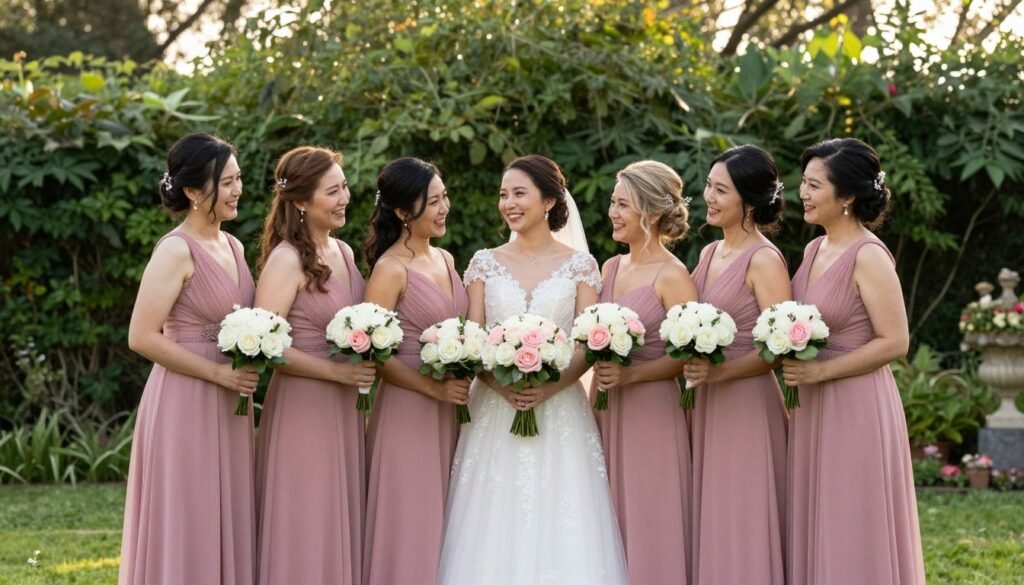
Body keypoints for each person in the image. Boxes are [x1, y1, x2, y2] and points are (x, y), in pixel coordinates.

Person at [438, 155, 627, 585]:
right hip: (494, 410)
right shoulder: (484, 262)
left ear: (548, 201)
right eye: (504, 195)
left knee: (562, 514)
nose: (509, 203)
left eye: (519, 193)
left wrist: (550, 387)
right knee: (491, 519)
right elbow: (475, 337)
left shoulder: (581, 265)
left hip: (560, 408)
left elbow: (586, 340)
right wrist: (499, 384)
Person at [784, 137, 925, 585]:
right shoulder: (812, 251)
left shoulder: (869, 255)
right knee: (819, 516)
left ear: (846, 196)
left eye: (813, 184)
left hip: (856, 405)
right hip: (812, 403)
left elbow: (895, 341)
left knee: (852, 519)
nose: (802, 193)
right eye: (803, 182)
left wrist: (822, 370)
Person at [120, 133, 256, 585]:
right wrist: (217, 373)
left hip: (230, 404)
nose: (238, 189)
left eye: (239, 179)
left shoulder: (235, 248)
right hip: (184, 400)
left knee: (226, 513)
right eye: (228, 181)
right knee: (188, 515)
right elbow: (141, 336)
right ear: (196, 191)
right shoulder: (175, 249)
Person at [253, 146, 375, 585]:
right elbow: (264, 346)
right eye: (332, 191)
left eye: (344, 187)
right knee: (306, 519)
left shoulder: (341, 251)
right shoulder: (287, 259)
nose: (344, 197)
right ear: (301, 201)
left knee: (337, 516)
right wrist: (336, 373)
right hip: (304, 407)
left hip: (344, 407)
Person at [361, 158, 470, 585]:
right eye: (433, 202)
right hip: (408, 411)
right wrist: (434, 390)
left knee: (447, 523)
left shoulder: (444, 258)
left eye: (445, 198)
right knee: (411, 524)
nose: (444, 208)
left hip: (451, 410)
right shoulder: (390, 269)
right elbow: (374, 355)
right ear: (404, 213)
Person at [685, 145, 790, 585]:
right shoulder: (710, 254)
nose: (708, 196)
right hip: (709, 399)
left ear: (749, 201)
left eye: (720, 190)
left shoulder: (763, 259)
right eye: (708, 185)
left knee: (743, 511)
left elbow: (781, 347)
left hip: (747, 403)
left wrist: (721, 373)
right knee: (715, 511)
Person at [592, 159, 698, 584]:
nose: (613, 213)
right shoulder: (610, 268)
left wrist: (632, 377)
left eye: (623, 204)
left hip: (652, 411)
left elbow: (690, 355)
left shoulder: (673, 275)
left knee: (652, 516)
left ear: (651, 212)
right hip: (604, 407)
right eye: (613, 203)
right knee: (610, 516)